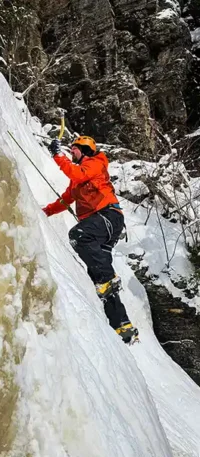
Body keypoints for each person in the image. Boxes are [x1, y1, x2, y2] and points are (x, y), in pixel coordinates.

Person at [42, 136, 138, 344]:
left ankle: (109, 278)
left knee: (78, 236)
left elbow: (78, 172)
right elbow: (64, 200)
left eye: (74, 149)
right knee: (97, 274)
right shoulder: (78, 181)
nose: (72, 152)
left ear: (85, 150)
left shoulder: (95, 163)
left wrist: (58, 155)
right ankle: (122, 326)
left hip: (108, 216)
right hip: (101, 225)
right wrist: (45, 212)